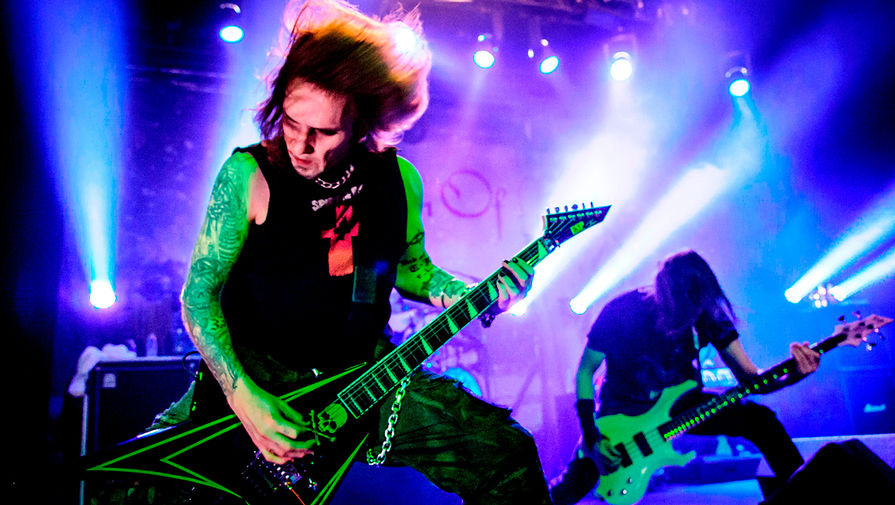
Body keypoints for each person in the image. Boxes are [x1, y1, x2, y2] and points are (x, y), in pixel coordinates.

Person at [122, 1, 552, 504]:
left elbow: (412, 270)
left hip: (362, 375)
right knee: (126, 489)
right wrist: (245, 401)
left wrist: (473, 294)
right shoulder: (249, 176)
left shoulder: (398, 180)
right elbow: (198, 297)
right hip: (257, 377)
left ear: (362, 123)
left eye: (324, 131)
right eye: (291, 121)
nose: (301, 144)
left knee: (507, 453)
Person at [549, 250, 820, 505]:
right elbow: (585, 371)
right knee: (575, 484)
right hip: (622, 412)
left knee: (760, 420)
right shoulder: (623, 311)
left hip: (680, 406)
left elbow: (751, 379)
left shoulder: (706, 313)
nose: (691, 313)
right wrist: (592, 435)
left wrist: (795, 374)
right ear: (664, 292)